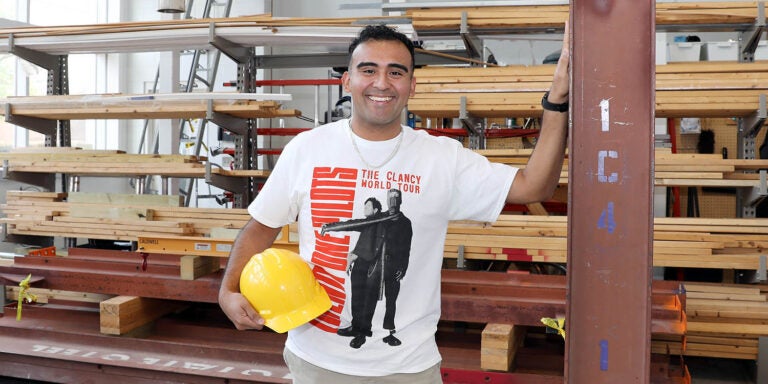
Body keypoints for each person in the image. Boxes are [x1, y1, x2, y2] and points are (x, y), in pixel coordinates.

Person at [219, 22, 570, 383]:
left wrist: (557, 99)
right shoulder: (307, 149)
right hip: (316, 363)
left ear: (412, 85)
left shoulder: (441, 159)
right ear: (347, 81)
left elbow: (534, 187)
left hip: (408, 370)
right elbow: (262, 226)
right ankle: (357, 327)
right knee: (361, 300)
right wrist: (227, 290)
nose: (382, 83)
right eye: (368, 70)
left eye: (396, 72)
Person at [321, 189, 413, 350]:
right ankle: (361, 332)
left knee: (391, 301)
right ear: (386, 200)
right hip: (375, 265)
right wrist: (330, 227)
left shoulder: (405, 223)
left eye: (396, 198)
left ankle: (389, 333)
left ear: (400, 201)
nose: (393, 201)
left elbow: (406, 247)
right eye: (390, 198)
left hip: (393, 266)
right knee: (367, 299)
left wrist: (403, 267)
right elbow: (354, 224)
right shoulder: (380, 218)